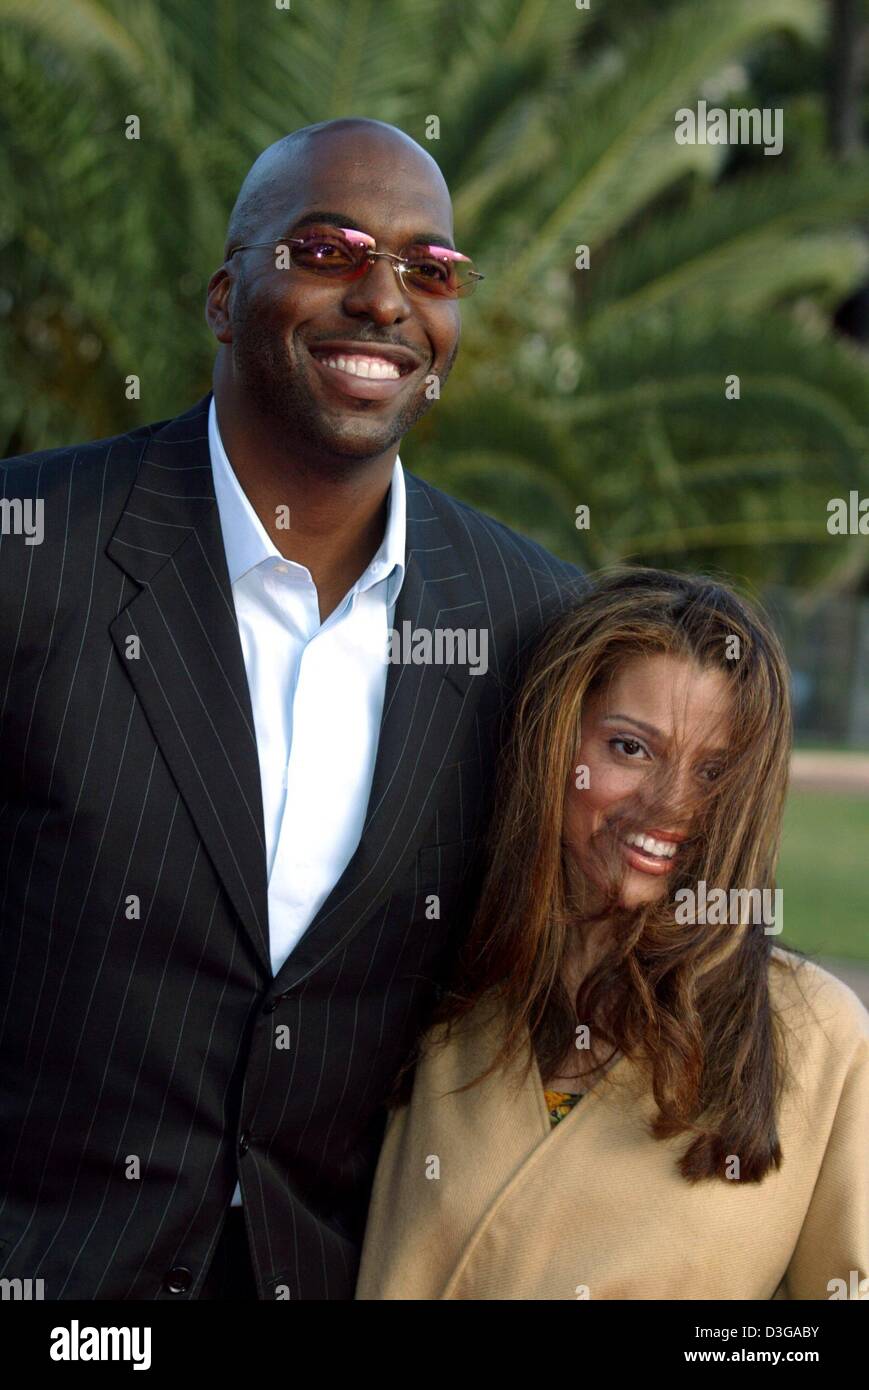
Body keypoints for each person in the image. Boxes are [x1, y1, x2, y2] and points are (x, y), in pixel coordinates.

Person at [0, 118, 583, 1300]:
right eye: (327, 250)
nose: (382, 299)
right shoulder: (34, 551)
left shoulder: (530, 620)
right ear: (224, 299)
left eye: (429, 272)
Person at [356, 569, 869, 1300]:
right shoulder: (441, 982)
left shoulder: (820, 1041)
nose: (669, 806)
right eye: (630, 748)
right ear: (556, 740)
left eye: (714, 771)